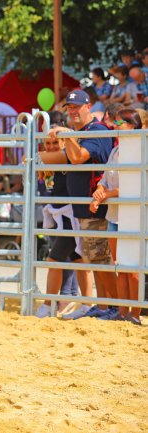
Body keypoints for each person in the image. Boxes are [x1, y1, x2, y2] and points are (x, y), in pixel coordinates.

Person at [39, 89, 116, 320]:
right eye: (69, 108)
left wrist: (68, 135)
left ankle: (112, 306)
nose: (72, 111)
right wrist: (70, 135)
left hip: (96, 206)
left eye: (76, 107)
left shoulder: (97, 131)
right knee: (93, 259)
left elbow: (81, 157)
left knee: (100, 259)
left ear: (88, 106)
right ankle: (104, 305)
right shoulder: (82, 132)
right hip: (83, 208)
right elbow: (74, 157)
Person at [90, 109, 142, 325]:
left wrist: (105, 194)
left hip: (133, 215)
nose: (116, 125)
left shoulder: (140, 150)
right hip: (114, 215)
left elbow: (135, 187)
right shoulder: (115, 150)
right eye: (116, 121)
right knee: (120, 265)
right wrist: (99, 190)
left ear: (132, 125)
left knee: (133, 268)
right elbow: (106, 177)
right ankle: (122, 312)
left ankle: (136, 314)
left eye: (121, 122)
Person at [35, 131, 93, 318]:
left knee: (54, 260)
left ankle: (48, 304)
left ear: (63, 143)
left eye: (55, 142)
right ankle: (86, 304)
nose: (51, 146)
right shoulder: (54, 164)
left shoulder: (67, 157)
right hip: (60, 217)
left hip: (71, 217)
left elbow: (29, 157)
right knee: (79, 260)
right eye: (47, 143)